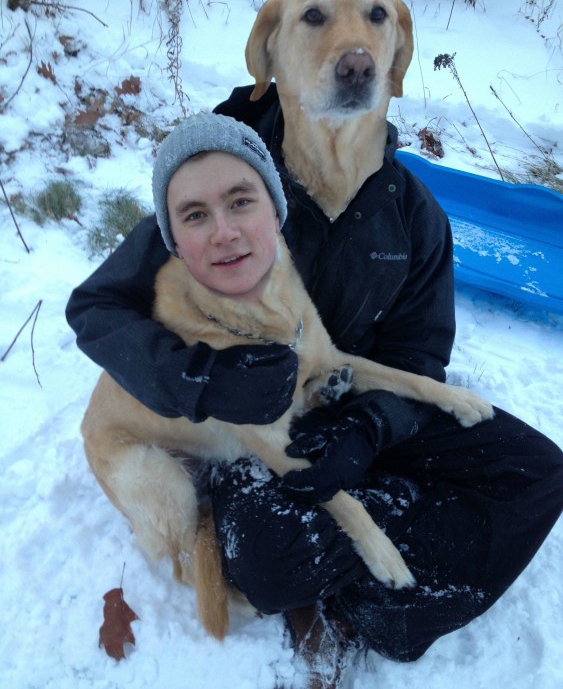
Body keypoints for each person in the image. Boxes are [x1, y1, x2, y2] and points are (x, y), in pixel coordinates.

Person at [66, 87, 563, 688]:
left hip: (358, 401)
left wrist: (370, 428)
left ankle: (363, 581)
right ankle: (332, 587)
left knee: (537, 471)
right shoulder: (217, 176)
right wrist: (200, 380)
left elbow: (421, 352)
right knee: (267, 556)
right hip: (241, 426)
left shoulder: (413, 211)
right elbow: (97, 307)